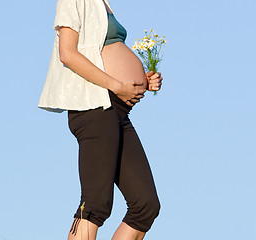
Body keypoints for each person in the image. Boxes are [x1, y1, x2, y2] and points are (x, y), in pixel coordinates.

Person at [37, 0, 163, 239]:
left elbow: (103, 53)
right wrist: (117, 84)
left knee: (145, 205)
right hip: (94, 107)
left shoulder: (103, 3)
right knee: (95, 204)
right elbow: (68, 54)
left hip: (118, 111)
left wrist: (142, 80)